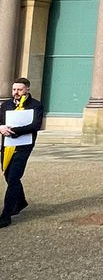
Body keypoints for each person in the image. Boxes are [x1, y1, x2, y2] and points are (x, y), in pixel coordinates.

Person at [0, 77, 44, 229]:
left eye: (19, 89)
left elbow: (35, 125)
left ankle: (5, 215)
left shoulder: (36, 105)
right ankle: (21, 202)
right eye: (14, 89)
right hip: (6, 146)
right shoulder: (6, 105)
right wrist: (1, 128)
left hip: (24, 146)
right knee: (8, 175)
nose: (16, 92)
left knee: (13, 178)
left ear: (27, 89)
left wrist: (14, 131)